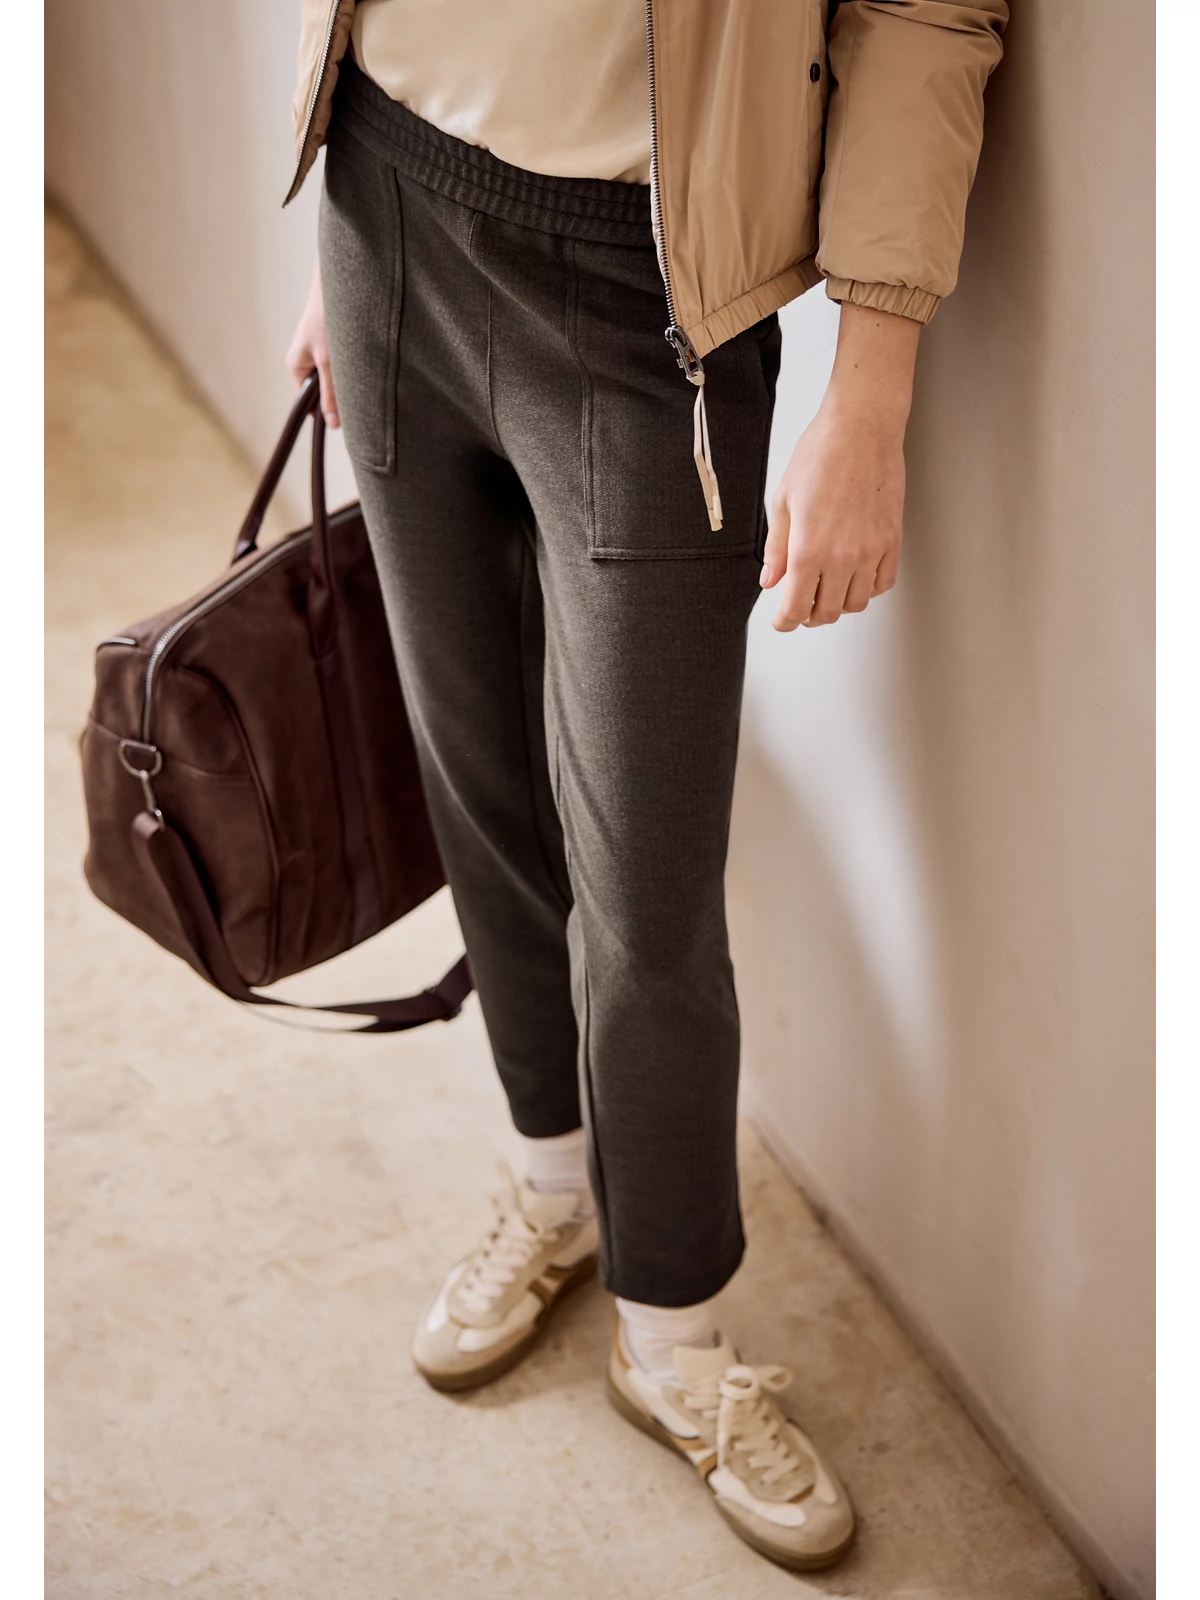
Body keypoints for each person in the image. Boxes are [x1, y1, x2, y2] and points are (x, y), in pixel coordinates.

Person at [285, 0, 1006, 1571]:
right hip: (385, 200)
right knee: (476, 780)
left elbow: (927, 15)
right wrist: (338, 188)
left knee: (648, 884)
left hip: (646, 298)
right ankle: (551, 1182)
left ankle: (672, 1332)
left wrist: (871, 389)